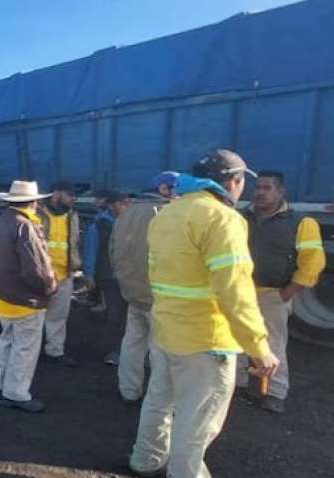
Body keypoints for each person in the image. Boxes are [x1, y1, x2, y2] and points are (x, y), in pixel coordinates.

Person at [129, 150, 280, 478]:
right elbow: (235, 292)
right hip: (206, 341)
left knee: (159, 403)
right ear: (234, 181)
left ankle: (145, 460)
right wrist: (259, 348)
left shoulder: (166, 214)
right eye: (243, 182)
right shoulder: (223, 219)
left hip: (167, 333)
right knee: (195, 425)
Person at [235, 170, 325, 414]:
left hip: (273, 294)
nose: (260, 193)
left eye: (267, 188)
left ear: (280, 192)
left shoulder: (301, 223)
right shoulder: (240, 218)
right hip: (241, 292)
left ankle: (275, 392)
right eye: (257, 188)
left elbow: (313, 261)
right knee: (239, 340)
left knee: (272, 344)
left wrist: (289, 291)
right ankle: (240, 383)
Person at [0, 180, 58, 413]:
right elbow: (35, 268)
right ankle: (16, 394)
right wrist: (49, 288)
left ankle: (3, 386)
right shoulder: (25, 226)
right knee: (25, 348)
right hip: (24, 299)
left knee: (7, 341)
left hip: (2, 297)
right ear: (34, 202)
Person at [110, 171, 179, 404]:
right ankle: (158, 400)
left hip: (131, 292)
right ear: (164, 189)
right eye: (177, 190)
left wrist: (124, 281)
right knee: (161, 351)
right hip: (157, 295)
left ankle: (128, 389)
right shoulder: (165, 213)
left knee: (132, 341)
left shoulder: (126, 212)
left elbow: (113, 250)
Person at [82, 190, 130, 365]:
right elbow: (90, 249)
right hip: (109, 277)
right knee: (115, 315)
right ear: (111, 205)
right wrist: (89, 274)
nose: (125, 206)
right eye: (120, 203)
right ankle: (114, 351)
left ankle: (128, 351)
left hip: (128, 276)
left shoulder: (130, 222)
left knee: (130, 316)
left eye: (126, 202)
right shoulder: (98, 224)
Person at [39, 181, 82, 367]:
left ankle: (54, 352)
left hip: (64, 274)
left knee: (58, 316)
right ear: (56, 193)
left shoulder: (72, 215)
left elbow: (74, 242)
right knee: (34, 317)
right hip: (40, 275)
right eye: (70, 194)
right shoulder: (39, 214)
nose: (74, 198)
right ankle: (30, 352)